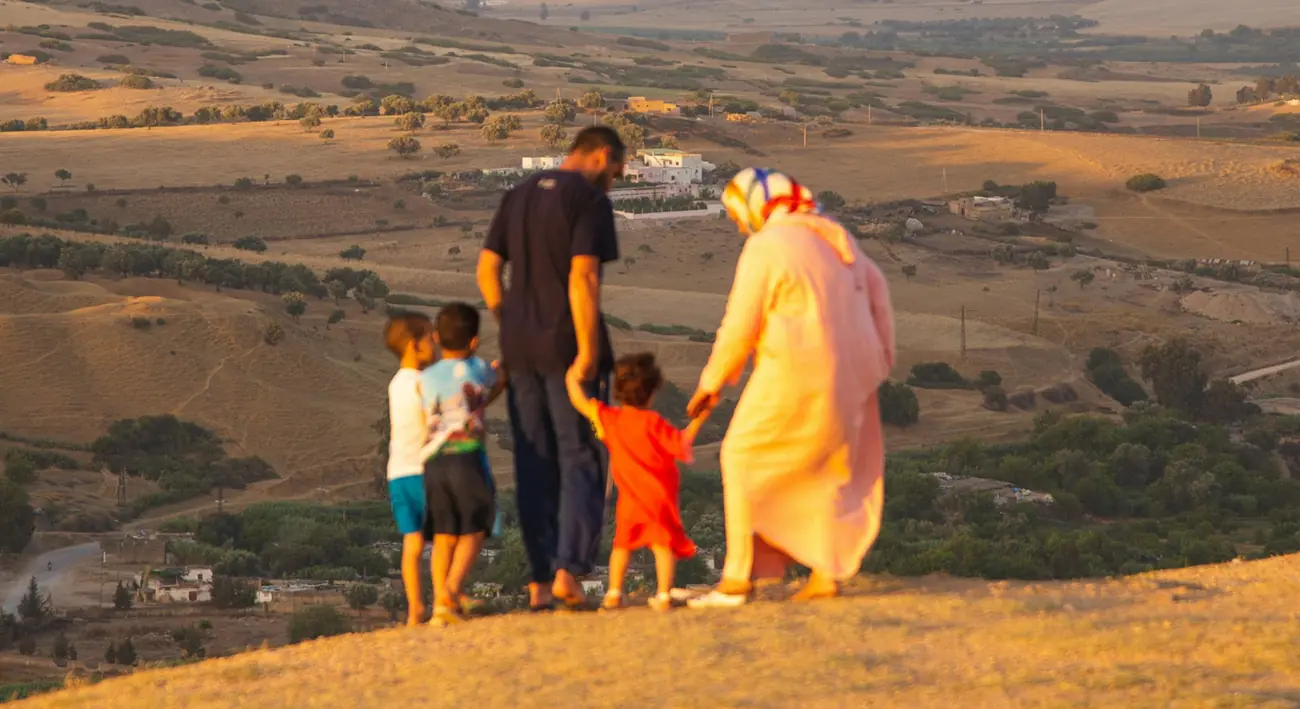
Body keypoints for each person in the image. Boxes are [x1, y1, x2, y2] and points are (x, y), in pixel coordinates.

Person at [685, 168, 896, 609]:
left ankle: (737, 579)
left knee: (740, 456)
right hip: (854, 374)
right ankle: (824, 576)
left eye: (737, 215)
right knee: (829, 467)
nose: (739, 225)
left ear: (754, 204)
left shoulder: (768, 246)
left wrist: (712, 383)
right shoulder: (835, 235)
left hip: (797, 367)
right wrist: (879, 363)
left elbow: (740, 326)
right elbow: (878, 291)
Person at [477, 126, 626, 610]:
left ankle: (538, 582)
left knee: (533, 461)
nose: (614, 183)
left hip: (520, 349)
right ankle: (568, 572)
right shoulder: (588, 200)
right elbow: (583, 276)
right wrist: (585, 352)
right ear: (603, 156)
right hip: (568, 349)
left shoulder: (518, 194)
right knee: (581, 458)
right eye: (617, 173)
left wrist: (511, 321)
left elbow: (486, 270)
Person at [565, 353, 709, 612]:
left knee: (622, 545)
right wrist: (702, 415)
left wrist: (571, 377)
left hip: (629, 497)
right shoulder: (654, 423)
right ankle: (664, 595)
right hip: (658, 497)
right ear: (653, 392)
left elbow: (581, 403)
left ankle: (613, 593)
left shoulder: (611, 419)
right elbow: (682, 442)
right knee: (662, 545)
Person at [418, 303, 507, 625]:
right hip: (466, 459)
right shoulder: (479, 368)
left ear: (437, 338)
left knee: (444, 533)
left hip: (433, 462)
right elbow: (488, 391)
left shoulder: (425, 377)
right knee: (475, 527)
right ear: (474, 342)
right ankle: (451, 591)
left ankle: (441, 603)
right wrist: (502, 377)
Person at [382, 312, 438, 625]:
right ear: (415, 345)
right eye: (430, 338)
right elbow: (431, 420)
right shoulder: (423, 382)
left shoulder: (395, 383)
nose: (435, 344)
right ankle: (444, 597)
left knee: (412, 542)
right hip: (423, 469)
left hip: (398, 473)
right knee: (444, 537)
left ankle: (415, 606)